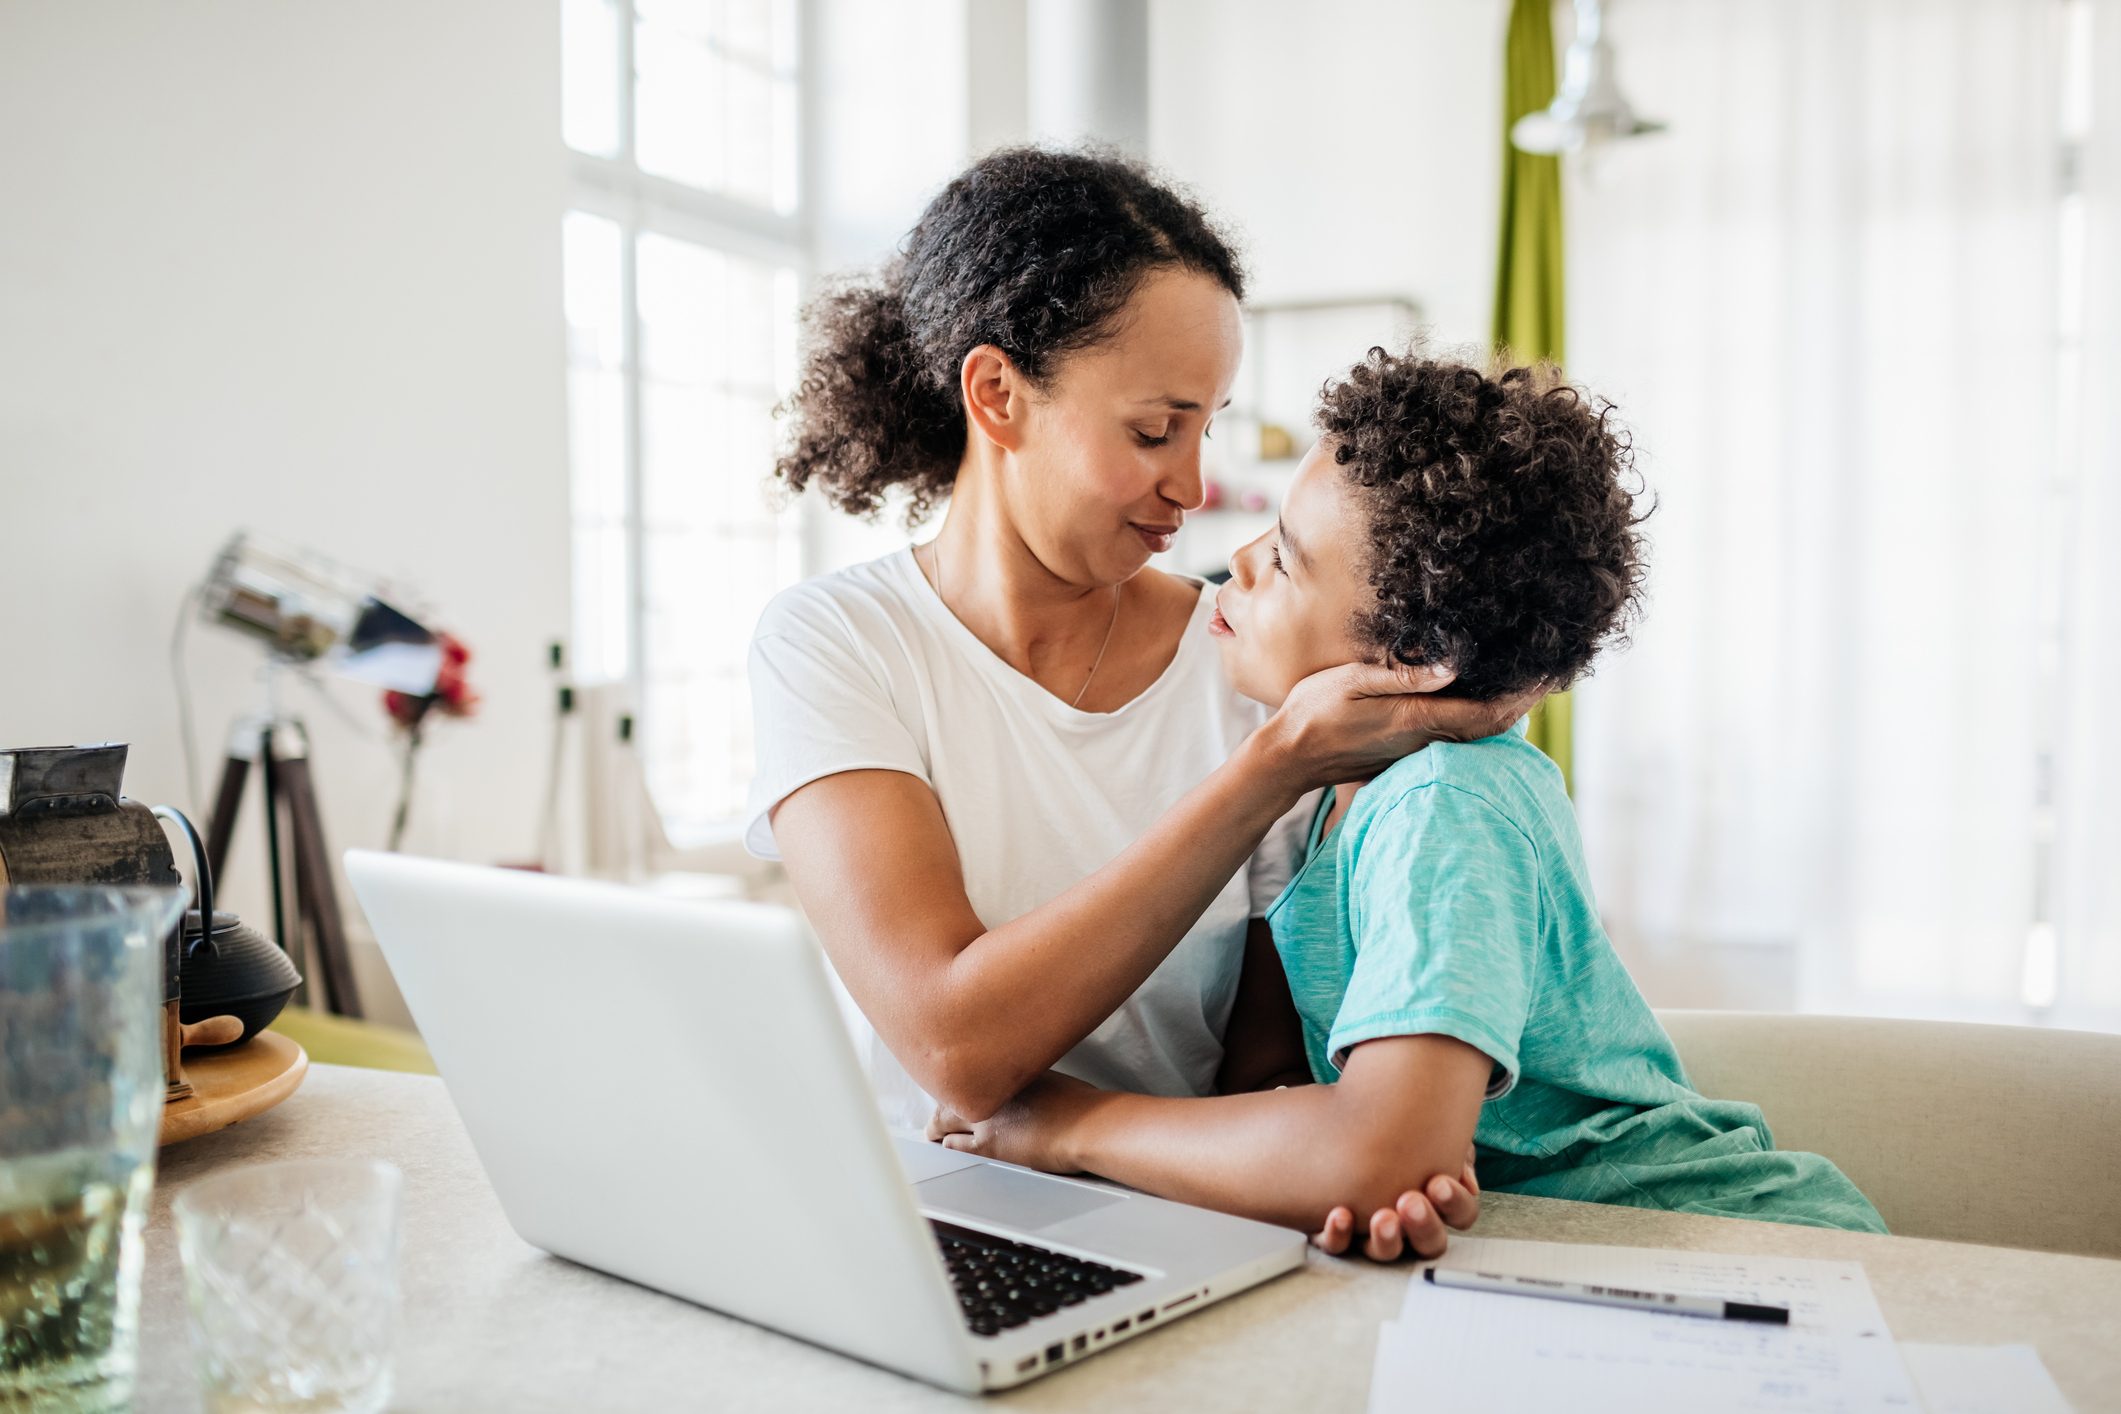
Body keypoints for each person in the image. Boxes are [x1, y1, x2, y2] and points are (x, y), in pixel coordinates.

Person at [746, 149, 1527, 1260]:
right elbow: (955, 1050)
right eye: (1156, 430)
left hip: (1179, 1223)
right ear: (997, 395)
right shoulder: (835, 644)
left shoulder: (1253, 663)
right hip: (919, 1219)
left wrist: (1345, 1173)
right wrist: (1267, 771)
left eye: (1208, 428)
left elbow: (1269, 1066)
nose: (1193, 488)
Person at [927, 351, 1887, 1235]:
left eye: (1287, 559)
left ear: (1415, 656)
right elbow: (1323, 1121)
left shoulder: (1444, 806)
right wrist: (1341, 1159)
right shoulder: (1340, 798)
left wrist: (1070, 1126)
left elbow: (1377, 1156)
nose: (1240, 563)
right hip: (1554, 1256)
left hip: (1731, 1251)